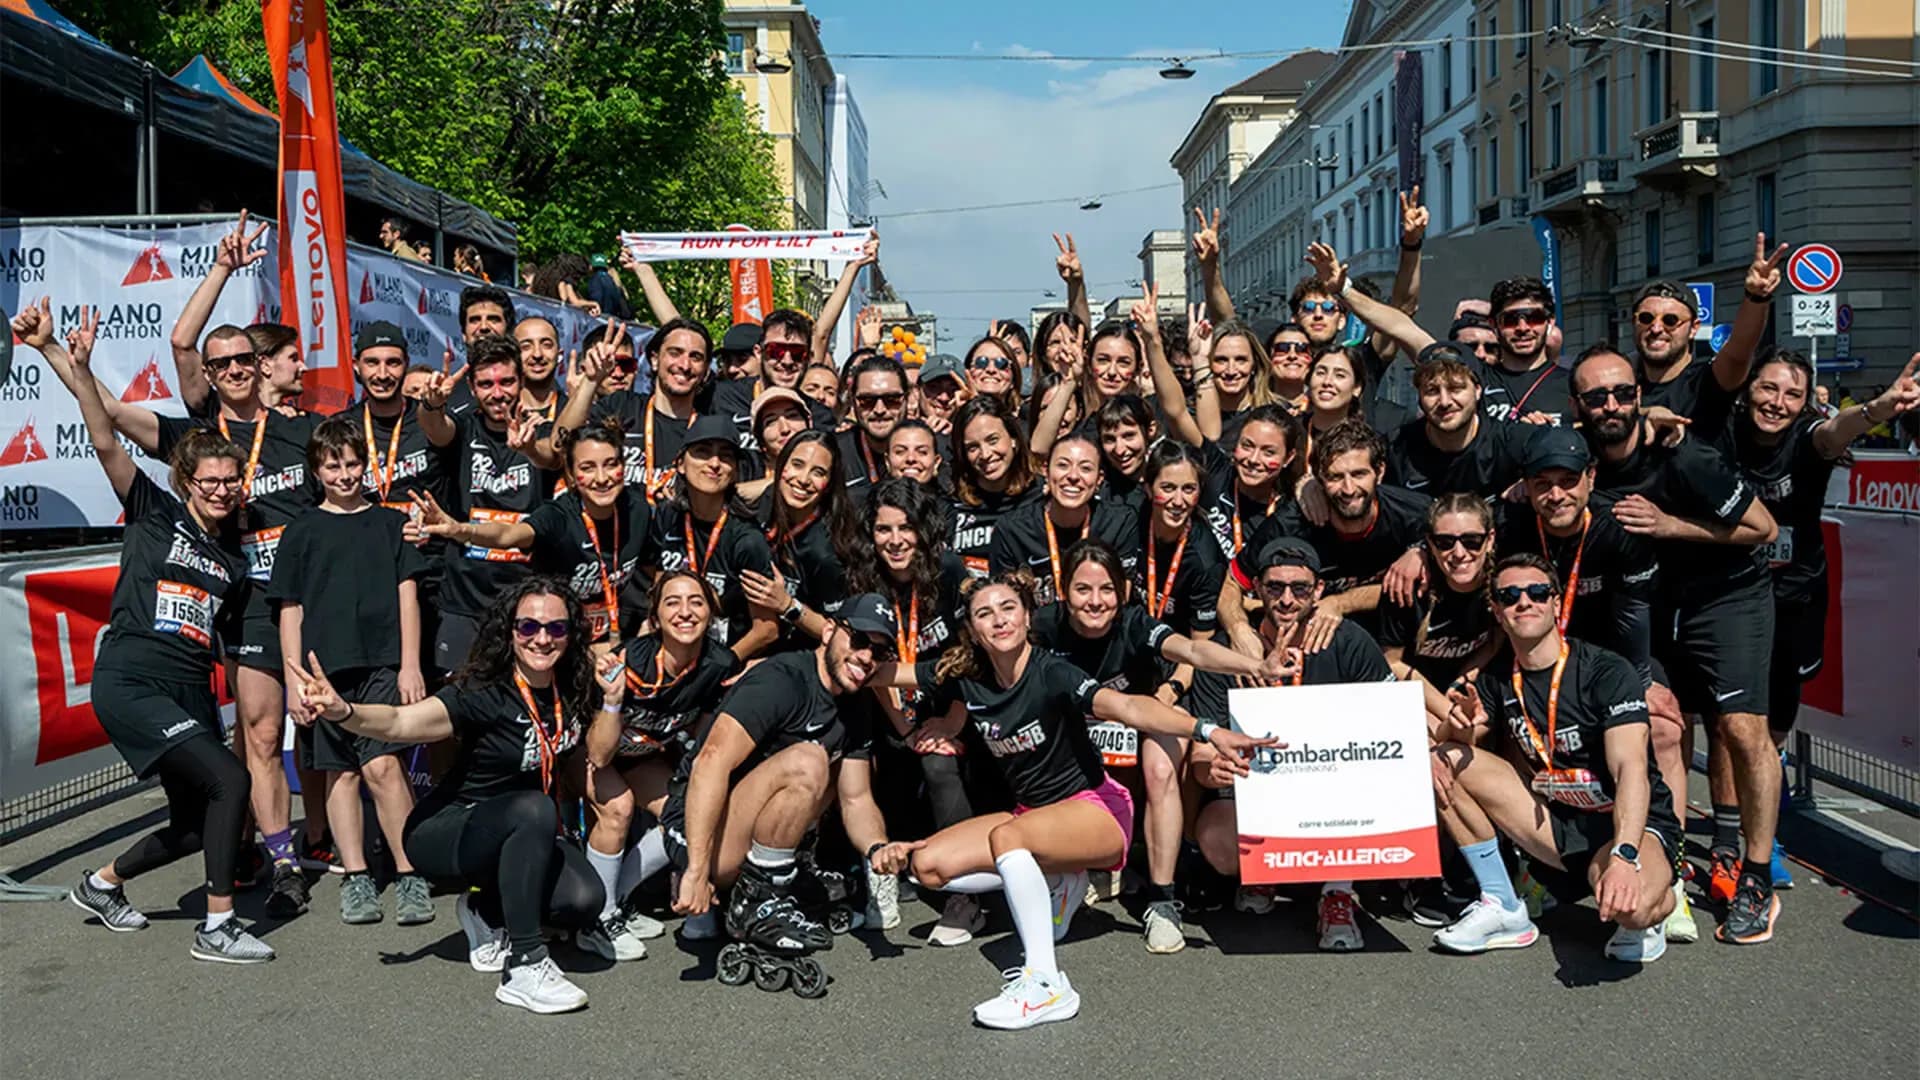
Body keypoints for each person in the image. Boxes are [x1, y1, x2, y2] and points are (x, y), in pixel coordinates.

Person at [871, 570, 1269, 1029]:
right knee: (928, 867)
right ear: (973, 631)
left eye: (1008, 608)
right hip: (1032, 818)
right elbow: (878, 673)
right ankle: (1059, 878)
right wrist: (837, 651)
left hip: (1097, 810)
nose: (999, 620)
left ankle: (1047, 984)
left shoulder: (1052, 672)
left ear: (1027, 617)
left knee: (1009, 838)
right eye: (985, 613)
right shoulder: (966, 676)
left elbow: (1129, 707)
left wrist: (1209, 730)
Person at [49, 309, 272, 963]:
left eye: (231, 481)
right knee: (231, 782)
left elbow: (229, 641)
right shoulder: (153, 512)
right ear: (186, 483)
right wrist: (76, 367)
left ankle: (101, 884)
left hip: (189, 689)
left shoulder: (234, 561)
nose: (223, 491)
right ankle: (218, 926)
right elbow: (104, 440)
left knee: (198, 822)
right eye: (211, 482)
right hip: (132, 680)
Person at [291, 579, 624, 1012]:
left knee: (584, 899)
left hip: (519, 829)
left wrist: (612, 700)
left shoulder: (571, 685)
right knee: (533, 809)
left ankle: (486, 909)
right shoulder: (483, 692)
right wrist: (345, 712)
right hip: (447, 829)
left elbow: (598, 754)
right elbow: (399, 723)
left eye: (555, 628)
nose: (542, 639)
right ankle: (525, 966)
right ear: (509, 631)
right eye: (528, 626)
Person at [1571, 345, 1784, 944]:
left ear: (1639, 397)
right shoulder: (1583, 454)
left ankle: (1757, 876)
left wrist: (1670, 525)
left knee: (1742, 728)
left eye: (1622, 393)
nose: (1611, 405)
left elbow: (1763, 528)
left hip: (1726, 594)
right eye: (1596, 397)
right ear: (1579, 407)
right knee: (1668, 724)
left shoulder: (1683, 453)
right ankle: (1681, 865)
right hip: (1654, 601)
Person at [1033, 539, 1285, 953]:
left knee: (1161, 765)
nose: (1095, 601)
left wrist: (1257, 665)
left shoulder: (1134, 621)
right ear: (1064, 592)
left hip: (1146, 717)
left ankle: (1163, 901)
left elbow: (1193, 650)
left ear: (1122, 592)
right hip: (1075, 731)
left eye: (1106, 589)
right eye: (1083, 589)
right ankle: (1072, 870)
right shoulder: (1042, 627)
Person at [1723, 350, 1919, 881]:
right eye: (1768, 389)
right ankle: (1750, 837)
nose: (1777, 403)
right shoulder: (1726, 429)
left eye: (1792, 394)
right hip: (1730, 595)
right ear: (1748, 390)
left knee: (1775, 726)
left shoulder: (1809, 436)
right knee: (1734, 721)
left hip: (1795, 596)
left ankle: (1766, 809)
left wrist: (1878, 409)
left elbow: (1836, 432)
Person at [1431, 555, 1680, 963]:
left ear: (1556, 602)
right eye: (1509, 596)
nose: (1524, 602)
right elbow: (1460, 745)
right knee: (1443, 759)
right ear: (1496, 610)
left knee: (1632, 911)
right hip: (1557, 822)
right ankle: (1502, 905)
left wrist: (1624, 855)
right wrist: (1457, 723)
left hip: (1626, 823)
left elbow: (1631, 770)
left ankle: (1665, 899)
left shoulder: (1606, 671)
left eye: (1537, 592)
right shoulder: (1495, 679)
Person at [661, 595, 903, 995]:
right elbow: (710, 762)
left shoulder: (856, 703)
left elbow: (856, 798)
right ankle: (756, 902)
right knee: (810, 759)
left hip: (746, 826)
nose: (866, 657)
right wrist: (697, 871)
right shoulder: (782, 679)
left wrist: (878, 848)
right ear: (829, 631)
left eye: (879, 652)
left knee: (828, 768)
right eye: (859, 640)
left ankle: (773, 883)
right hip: (698, 829)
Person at [1194, 538, 1400, 950]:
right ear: (1256, 589)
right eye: (1275, 587)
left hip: (1334, 792)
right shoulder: (1224, 652)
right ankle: (1268, 873)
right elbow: (1201, 754)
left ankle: (1338, 892)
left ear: (1318, 590)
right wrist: (1210, 769)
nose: (1287, 599)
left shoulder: (1350, 641)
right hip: (1254, 793)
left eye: (1300, 588)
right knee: (1216, 838)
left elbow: (1392, 726)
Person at [270, 417, 434, 926]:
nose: (344, 475)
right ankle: (357, 875)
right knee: (340, 773)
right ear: (316, 471)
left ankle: (410, 871)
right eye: (333, 466)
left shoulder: (390, 524)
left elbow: (408, 596)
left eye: (352, 464)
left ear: (367, 464)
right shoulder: (301, 530)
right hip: (323, 673)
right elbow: (290, 609)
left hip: (381, 664)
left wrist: (410, 664)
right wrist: (295, 681)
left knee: (383, 767)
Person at [574, 572, 744, 958]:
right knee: (618, 807)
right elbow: (598, 755)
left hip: (643, 756)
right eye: (672, 602)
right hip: (590, 751)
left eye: (696, 602)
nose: (685, 612)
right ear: (655, 616)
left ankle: (613, 901)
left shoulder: (720, 663)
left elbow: (706, 741)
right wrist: (613, 701)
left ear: (711, 613)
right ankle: (596, 920)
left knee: (688, 811)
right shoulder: (629, 660)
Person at [842, 477, 982, 942]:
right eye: (884, 529)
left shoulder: (948, 570)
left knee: (939, 763)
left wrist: (952, 722)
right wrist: (904, 727)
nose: (896, 540)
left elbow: (974, 653)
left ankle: (965, 892)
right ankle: (880, 870)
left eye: (906, 527)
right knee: (878, 761)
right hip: (889, 707)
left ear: (923, 530)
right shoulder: (863, 578)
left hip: (951, 703)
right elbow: (867, 663)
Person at [417, 419, 653, 648]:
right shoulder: (558, 516)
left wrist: (649, 623)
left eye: (611, 464)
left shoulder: (638, 510)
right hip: (553, 641)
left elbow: (652, 571)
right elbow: (507, 535)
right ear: (571, 475)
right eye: (587, 468)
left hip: (611, 637)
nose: (602, 478)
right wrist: (461, 530)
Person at [1222, 421, 1431, 657]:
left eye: (1359, 474)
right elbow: (1231, 583)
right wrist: (1238, 630)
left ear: (1380, 472)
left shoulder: (1415, 514)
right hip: (1310, 647)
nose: (1349, 489)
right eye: (1335, 477)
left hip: (1392, 644)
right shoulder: (1290, 523)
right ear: (1319, 478)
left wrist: (1421, 549)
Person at [432, 334, 556, 674]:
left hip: (528, 599)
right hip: (465, 601)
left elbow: (552, 457)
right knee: (459, 699)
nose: (498, 393)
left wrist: (530, 449)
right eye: (486, 384)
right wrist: (431, 405)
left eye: (506, 382)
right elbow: (436, 429)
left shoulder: (543, 429)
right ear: (472, 389)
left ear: (522, 381)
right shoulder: (462, 427)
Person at [647, 415, 780, 659]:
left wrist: (721, 665)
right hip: (673, 649)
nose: (715, 463)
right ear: (680, 464)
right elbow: (657, 589)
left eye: (726, 456)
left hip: (727, 654)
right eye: (703, 452)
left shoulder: (747, 540)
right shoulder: (667, 516)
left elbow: (767, 630)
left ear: (735, 471)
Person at [1636, 234, 1787, 442]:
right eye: (1646, 318)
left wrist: (1756, 298)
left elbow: (1739, 351)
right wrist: (1644, 412)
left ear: (1693, 328)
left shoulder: (1708, 381)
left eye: (1671, 320)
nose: (1656, 328)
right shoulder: (1620, 383)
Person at [547, 318, 704, 501]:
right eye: (675, 353)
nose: (685, 365)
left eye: (696, 357)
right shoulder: (620, 405)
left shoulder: (707, 430)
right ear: (654, 360)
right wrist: (591, 381)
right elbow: (560, 444)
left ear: (707, 369)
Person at [988, 433, 1140, 606]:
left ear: (1099, 479)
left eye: (1085, 468)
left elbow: (1120, 599)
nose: (1073, 476)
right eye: (1063, 465)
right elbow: (1002, 604)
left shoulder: (1119, 523)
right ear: (1045, 471)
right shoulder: (1011, 530)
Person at [738, 429, 856, 647]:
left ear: (829, 484)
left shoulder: (826, 553)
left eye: (818, 472)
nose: (803, 480)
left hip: (798, 652)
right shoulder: (767, 500)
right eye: (797, 465)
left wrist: (787, 605)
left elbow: (838, 633)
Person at [1378, 495, 1501, 697]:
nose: (1459, 553)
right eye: (1445, 542)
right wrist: (1446, 709)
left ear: (1490, 540)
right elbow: (1392, 662)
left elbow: (1495, 640)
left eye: (1471, 541)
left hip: (1472, 690)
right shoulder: (1408, 589)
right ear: (1431, 544)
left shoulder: (1501, 583)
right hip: (1416, 697)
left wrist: (1459, 685)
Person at [1385, 348, 1529, 497]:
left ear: (1478, 390)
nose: (1444, 402)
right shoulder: (1396, 449)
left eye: (1455, 389)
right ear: (1419, 397)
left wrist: (1533, 481)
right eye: (1432, 391)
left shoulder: (1510, 443)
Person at [947, 396, 1041, 576]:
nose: (985, 454)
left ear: (1013, 438)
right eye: (973, 447)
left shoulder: (1040, 495)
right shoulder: (951, 503)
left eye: (992, 440)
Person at [840, 353, 910, 499]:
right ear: (853, 401)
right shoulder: (834, 451)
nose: (879, 410)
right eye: (867, 400)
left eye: (891, 399)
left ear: (906, 399)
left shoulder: (931, 448)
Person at [512, 316, 566, 422]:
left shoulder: (575, 410)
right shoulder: (499, 412)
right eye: (526, 347)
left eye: (546, 345)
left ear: (559, 355)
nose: (537, 354)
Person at [583, 253, 633, 322]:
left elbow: (596, 298)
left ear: (592, 267)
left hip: (601, 318)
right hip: (615, 318)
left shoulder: (595, 279)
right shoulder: (612, 280)